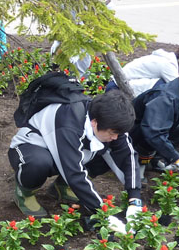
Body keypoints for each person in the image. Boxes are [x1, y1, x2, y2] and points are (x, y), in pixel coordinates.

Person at [8, 88, 142, 232]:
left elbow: (128, 154)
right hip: (33, 146)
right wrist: (103, 213)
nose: (116, 137)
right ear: (95, 122)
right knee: (38, 163)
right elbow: (73, 172)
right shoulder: (69, 120)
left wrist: (134, 199)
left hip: (67, 152)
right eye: (113, 133)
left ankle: (62, 187)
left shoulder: (110, 121)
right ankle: (25, 192)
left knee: (110, 151)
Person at [115, 46, 179, 97]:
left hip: (120, 84)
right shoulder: (168, 65)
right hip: (118, 88)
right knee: (163, 85)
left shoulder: (166, 59)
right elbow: (178, 87)